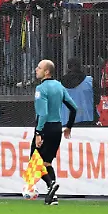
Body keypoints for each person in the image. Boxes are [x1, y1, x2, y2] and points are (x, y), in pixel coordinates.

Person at [32, 59, 76, 206]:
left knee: (35, 161)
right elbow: (73, 107)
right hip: (57, 128)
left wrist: (38, 132)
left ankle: (51, 185)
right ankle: (53, 197)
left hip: (44, 128)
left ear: (47, 72)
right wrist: (69, 126)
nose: (36, 70)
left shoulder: (41, 89)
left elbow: (43, 113)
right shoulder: (59, 86)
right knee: (47, 162)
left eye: (39, 68)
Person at [59, 58, 97, 126]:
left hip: (66, 120)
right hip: (86, 119)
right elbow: (97, 100)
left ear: (68, 67)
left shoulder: (60, 83)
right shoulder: (90, 81)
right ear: (80, 67)